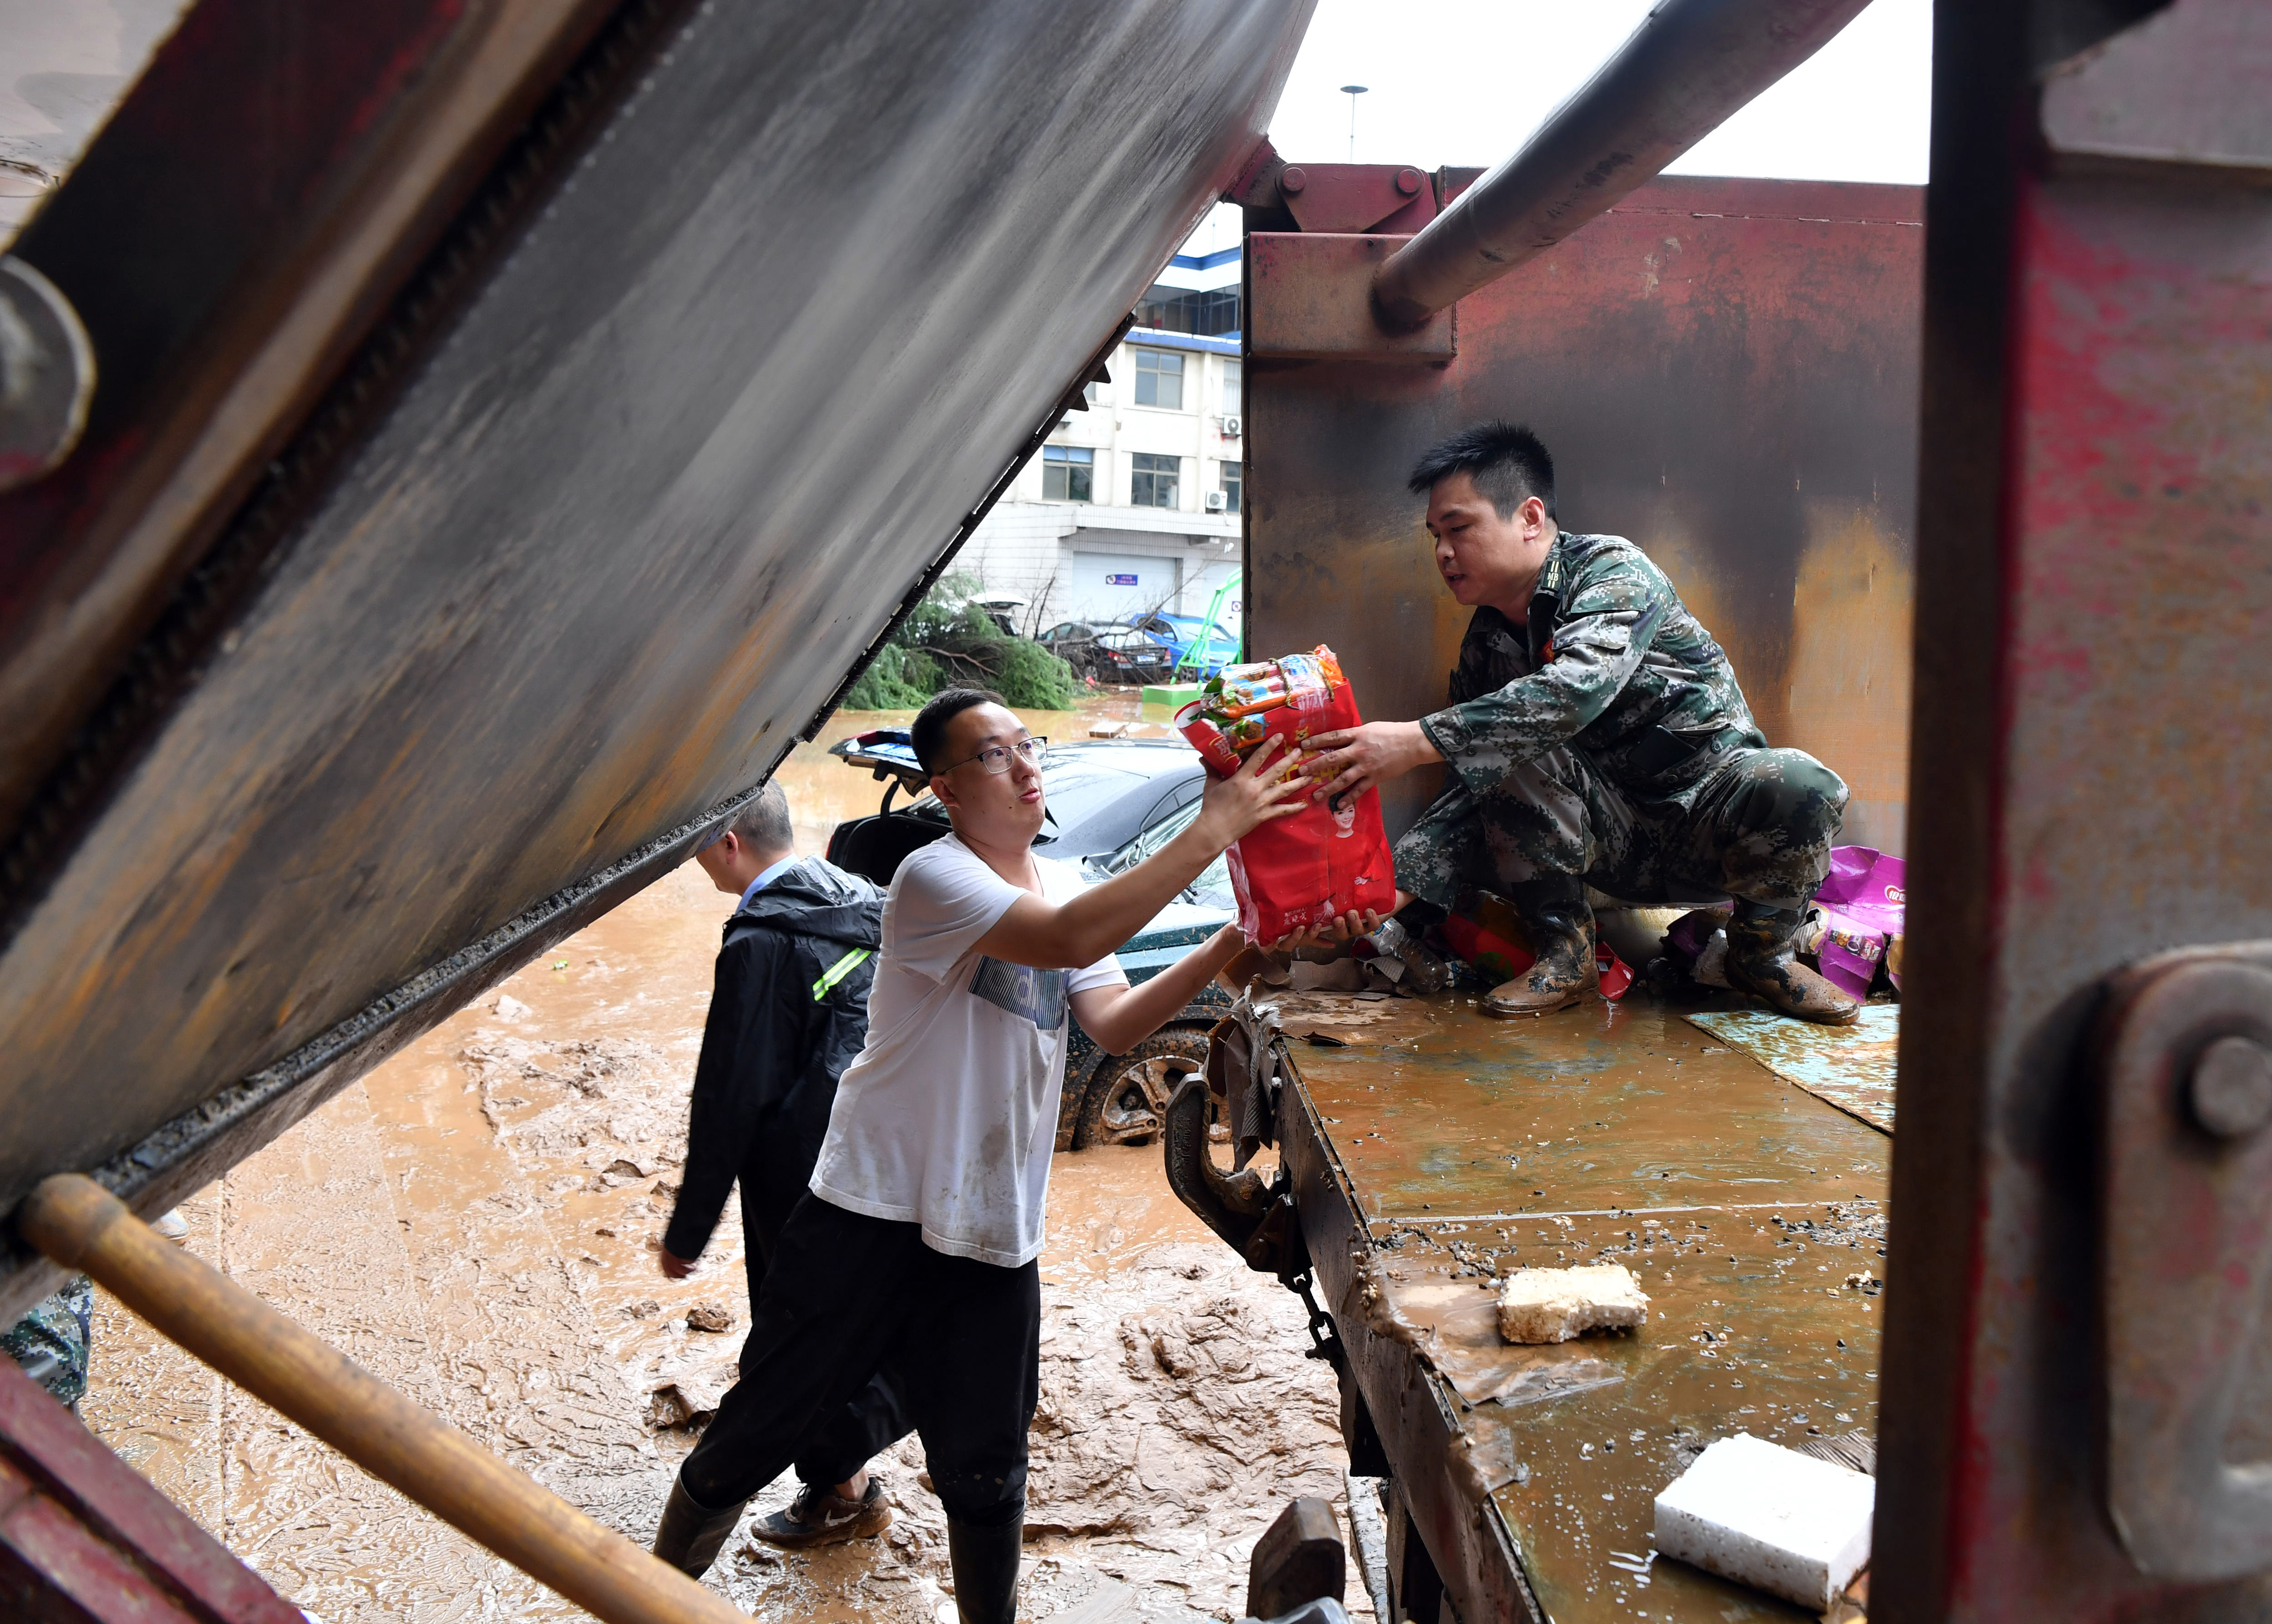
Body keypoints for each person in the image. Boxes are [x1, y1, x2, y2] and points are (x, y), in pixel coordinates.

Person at [650, 688, 1307, 1620]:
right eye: (995, 755)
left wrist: (1229, 942)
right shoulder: (934, 876)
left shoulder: (1067, 883)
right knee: (765, 1423)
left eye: (1028, 745)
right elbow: (1064, 942)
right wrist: (1214, 829)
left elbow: (1113, 1021)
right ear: (947, 790)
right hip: (867, 1211)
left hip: (993, 1223)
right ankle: (640, 1595)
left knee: (988, 1462)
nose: (1027, 765)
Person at [1303, 421, 1858, 1025]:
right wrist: (1390, 892)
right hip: (1611, 843)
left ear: (1531, 517)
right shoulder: (1487, 643)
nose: (1442, 551)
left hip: (1709, 821)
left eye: (1459, 528)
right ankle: (1565, 959)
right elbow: (1473, 783)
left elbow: (1575, 689)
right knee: (1508, 748)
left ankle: (1763, 956)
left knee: (1801, 780)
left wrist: (1415, 739)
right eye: (1434, 535)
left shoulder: (1612, 572)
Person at [659, 779, 906, 1548]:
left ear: (727, 845)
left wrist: (689, 1229)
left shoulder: (759, 940)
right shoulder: (861, 896)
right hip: (879, 1157)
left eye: (699, 846)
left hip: (798, 1180)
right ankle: (847, 1482)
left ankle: (834, 1491)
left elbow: (730, 1095)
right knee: (851, 1320)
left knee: (793, 1342)